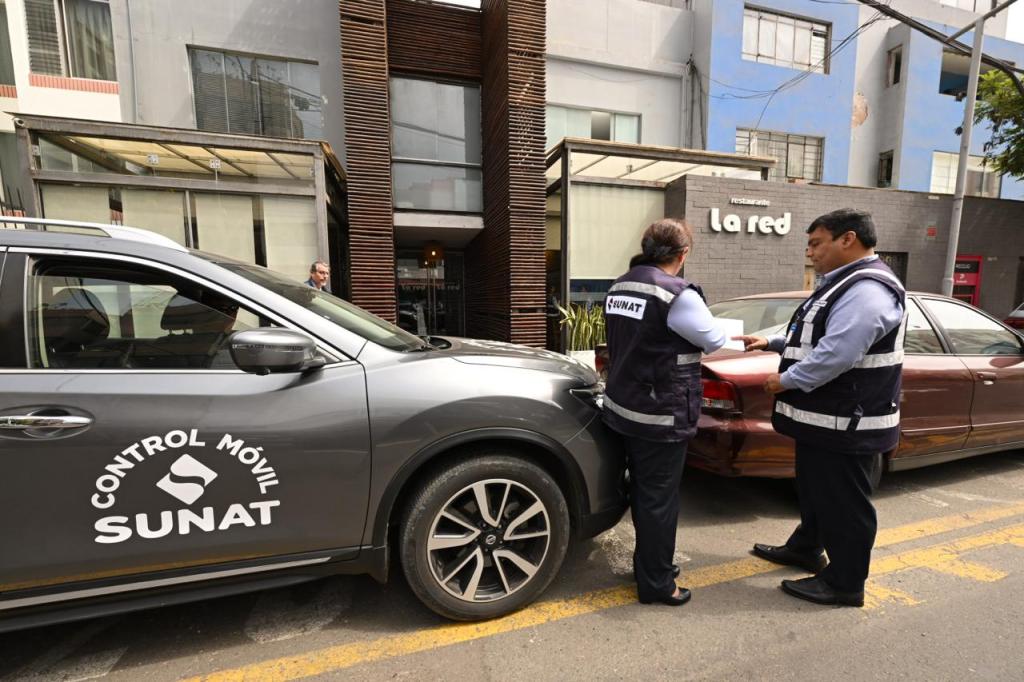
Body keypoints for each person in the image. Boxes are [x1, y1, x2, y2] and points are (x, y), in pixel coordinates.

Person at [734, 208, 906, 608]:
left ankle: (845, 583)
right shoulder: (842, 283)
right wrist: (773, 343)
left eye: (816, 243)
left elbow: (839, 352)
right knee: (816, 491)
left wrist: (786, 380)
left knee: (844, 504)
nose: (810, 253)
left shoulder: (868, 288)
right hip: (827, 420)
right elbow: (817, 336)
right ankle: (806, 547)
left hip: (847, 422)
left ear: (848, 239)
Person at [602, 218, 726, 607]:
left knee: (643, 493)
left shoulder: (620, 285)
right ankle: (657, 583)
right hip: (660, 413)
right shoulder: (676, 293)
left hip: (624, 407)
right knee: (658, 499)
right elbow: (715, 340)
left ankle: (649, 566)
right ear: (683, 253)